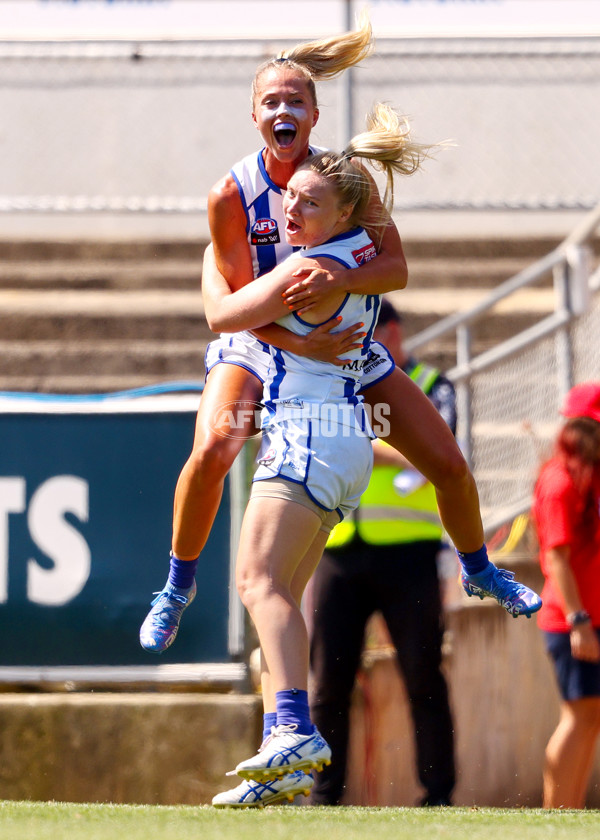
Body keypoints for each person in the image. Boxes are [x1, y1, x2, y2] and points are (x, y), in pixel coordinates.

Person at [139, 13, 541, 661]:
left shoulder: (346, 183)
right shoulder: (231, 195)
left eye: (295, 99)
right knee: (215, 444)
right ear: (254, 117)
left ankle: (478, 568)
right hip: (264, 338)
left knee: (447, 462)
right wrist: (301, 341)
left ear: (314, 113)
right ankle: (176, 586)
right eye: (270, 100)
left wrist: (332, 278)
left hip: (344, 348)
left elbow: (397, 268)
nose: (283, 108)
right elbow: (235, 310)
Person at [208, 103, 428, 807]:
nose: (289, 208)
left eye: (307, 201)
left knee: (257, 585)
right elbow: (392, 261)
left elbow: (223, 315)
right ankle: (288, 757)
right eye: (288, 197)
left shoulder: (310, 266)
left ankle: (294, 731)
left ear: (341, 214)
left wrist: (212, 264)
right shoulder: (359, 254)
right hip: (340, 439)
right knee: (284, 599)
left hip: (310, 432)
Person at [308, 297, 455, 807]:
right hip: (338, 550)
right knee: (327, 684)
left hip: (408, 554)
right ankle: (323, 797)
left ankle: (438, 795)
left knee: (423, 675)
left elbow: (436, 450)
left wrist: (359, 442)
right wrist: (390, 444)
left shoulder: (433, 385)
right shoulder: (328, 380)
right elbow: (316, 445)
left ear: (392, 331)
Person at [531, 382, 600, 810]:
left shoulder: (589, 479)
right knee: (578, 717)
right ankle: (557, 813)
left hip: (591, 618)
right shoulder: (559, 481)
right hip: (572, 621)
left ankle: (570, 814)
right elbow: (557, 558)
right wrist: (580, 622)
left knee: (590, 718)